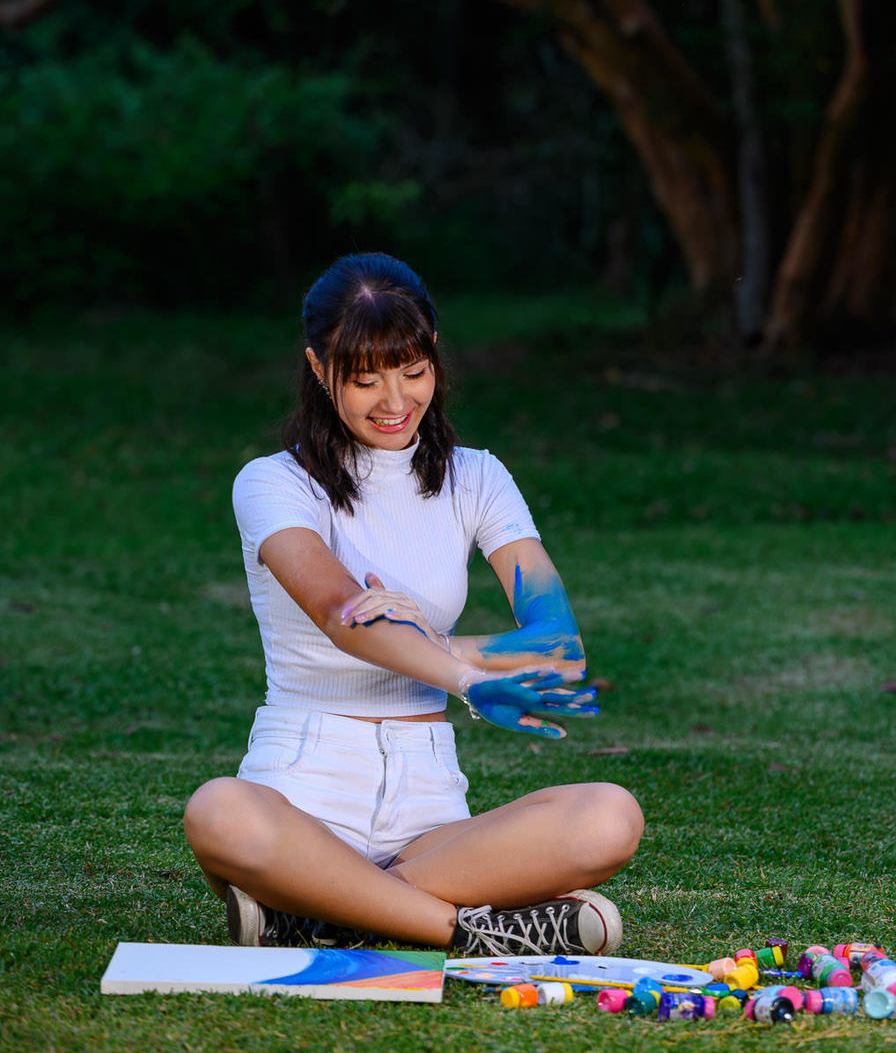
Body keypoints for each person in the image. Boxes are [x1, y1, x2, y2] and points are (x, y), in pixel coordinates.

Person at [183, 252, 643, 957]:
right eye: (365, 379)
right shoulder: (273, 483)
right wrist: (465, 675)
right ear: (317, 366)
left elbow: (559, 646)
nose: (394, 401)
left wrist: (432, 638)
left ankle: (327, 915)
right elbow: (344, 614)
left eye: (414, 371)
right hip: (301, 789)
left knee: (609, 814)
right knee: (218, 810)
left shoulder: (477, 477)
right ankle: (464, 930)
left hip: (428, 807)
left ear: (435, 357)